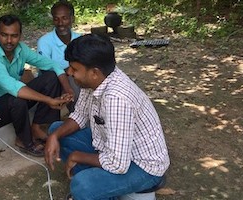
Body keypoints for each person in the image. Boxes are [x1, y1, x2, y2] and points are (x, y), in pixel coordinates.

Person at [44, 34, 170, 200]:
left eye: (74, 69)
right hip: (111, 147)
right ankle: (102, 189)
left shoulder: (116, 99)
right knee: (57, 130)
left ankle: (97, 189)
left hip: (142, 166)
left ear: (94, 72)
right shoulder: (96, 79)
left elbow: (118, 163)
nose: (69, 72)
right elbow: (80, 115)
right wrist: (54, 136)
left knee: (82, 185)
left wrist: (77, 156)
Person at [0, 14, 73, 157]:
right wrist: (48, 100)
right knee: (16, 98)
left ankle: (38, 126)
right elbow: (13, 86)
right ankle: (24, 141)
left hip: (15, 98)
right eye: (4, 35)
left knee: (51, 77)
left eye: (14, 36)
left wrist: (68, 88)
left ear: (20, 35)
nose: (9, 41)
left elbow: (52, 65)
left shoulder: (21, 49)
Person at [37, 0, 81, 112]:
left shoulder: (80, 39)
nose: (60, 23)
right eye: (56, 19)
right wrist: (68, 71)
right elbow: (46, 71)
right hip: (53, 83)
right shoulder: (45, 42)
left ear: (72, 19)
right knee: (74, 86)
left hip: (76, 78)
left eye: (64, 18)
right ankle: (77, 118)